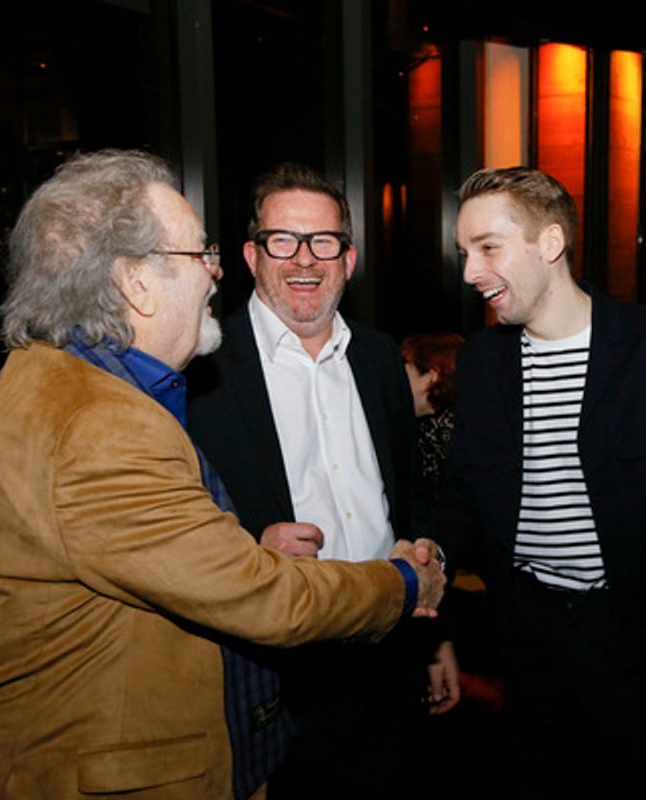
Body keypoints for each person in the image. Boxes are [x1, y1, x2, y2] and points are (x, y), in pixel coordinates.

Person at [0, 150, 445, 799]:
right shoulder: (99, 427)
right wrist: (406, 582)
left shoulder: (59, 383)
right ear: (135, 283)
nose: (214, 272)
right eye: (199, 254)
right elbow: (262, 597)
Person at [433, 166, 646, 795]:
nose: (470, 272)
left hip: (637, 637)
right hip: (526, 632)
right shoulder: (482, 361)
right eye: (464, 253)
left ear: (550, 243)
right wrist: (432, 557)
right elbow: (464, 495)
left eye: (488, 248)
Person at [186, 163, 457, 799]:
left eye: (324, 242)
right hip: (278, 676)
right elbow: (172, 525)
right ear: (252, 256)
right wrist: (248, 549)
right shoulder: (202, 368)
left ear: (348, 259)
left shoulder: (379, 356)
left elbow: (410, 496)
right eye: (283, 240)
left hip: (389, 657)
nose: (304, 259)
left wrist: (433, 632)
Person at [400, 331, 465, 502]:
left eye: (404, 374)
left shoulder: (445, 435)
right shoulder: (426, 428)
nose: (396, 382)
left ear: (432, 377)